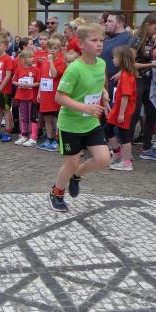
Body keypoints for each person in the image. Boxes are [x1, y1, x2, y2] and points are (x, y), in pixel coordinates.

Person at [48, 24, 111, 212]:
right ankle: (57, 192)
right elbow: (59, 97)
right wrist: (84, 107)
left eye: (101, 40)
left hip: (91, 122)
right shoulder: (74, 68)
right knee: (72, 162)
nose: (99, 44)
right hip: (71, 124)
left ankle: (77, 176)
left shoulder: (102, 64)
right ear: (81, 44)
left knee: (103, 159)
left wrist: (104, 94)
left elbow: (98, 83)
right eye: (94, 40)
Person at [130, 13, 156, 162]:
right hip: (137, 82)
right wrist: (151, 65)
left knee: (151, 114)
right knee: (134, 115)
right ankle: (125, 150)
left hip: (146, 81)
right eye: (155, 28)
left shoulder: (150, 40)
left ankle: (146, 149)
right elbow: (130, 63)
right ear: (147, 25)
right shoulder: (137, 39)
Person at [105, 46, 138, 171]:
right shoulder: (124, 73)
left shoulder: (126, 76)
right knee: (107, 129)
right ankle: (118, 153)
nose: (113, 59)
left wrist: (121, 114)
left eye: (115, 57)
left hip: (123, 109)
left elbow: (126, 96)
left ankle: (127, 162)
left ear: (122, 59)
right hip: (119, 108)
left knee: (124, 135)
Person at [37, 37, 66, 151]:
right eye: (50, 48)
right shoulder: (44, 62)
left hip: (55, 95)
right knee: (47, 118)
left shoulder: (61, 62)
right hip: (45, 94)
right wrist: (39, 92)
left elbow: (54, 74)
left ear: (59, 50)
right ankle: (49, 138)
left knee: (56, 119)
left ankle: (57, 140)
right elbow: (42, 78)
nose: (52, 50)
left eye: (55, 48)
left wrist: (51, 62)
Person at [12, 49, 40, 146]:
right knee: (23, 116)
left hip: (32, 98)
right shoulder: (19, 70)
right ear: (23, 59)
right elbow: (13, 81)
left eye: (33, 57)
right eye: (30, 57)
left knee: (33, 117)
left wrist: (30, 85)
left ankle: (33, 137)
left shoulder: (36, 70)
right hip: (22, 97)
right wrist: (19, 84)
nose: (33, 58)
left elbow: (39, 82)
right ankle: (24, 135)